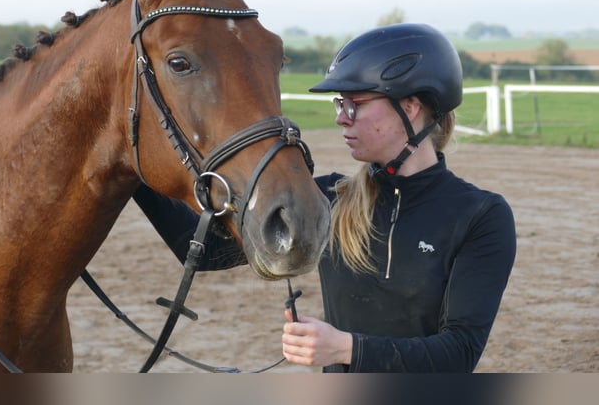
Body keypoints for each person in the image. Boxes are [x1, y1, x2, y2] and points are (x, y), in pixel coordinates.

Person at [133, 23, 516, 372]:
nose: (341, 117)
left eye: (356, 104)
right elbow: (204, 251)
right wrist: (131, 166)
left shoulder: (480, 216)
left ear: (411, 107)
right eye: (340, 104)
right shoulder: (330, 198)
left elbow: (460, 353)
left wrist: (346, 349)